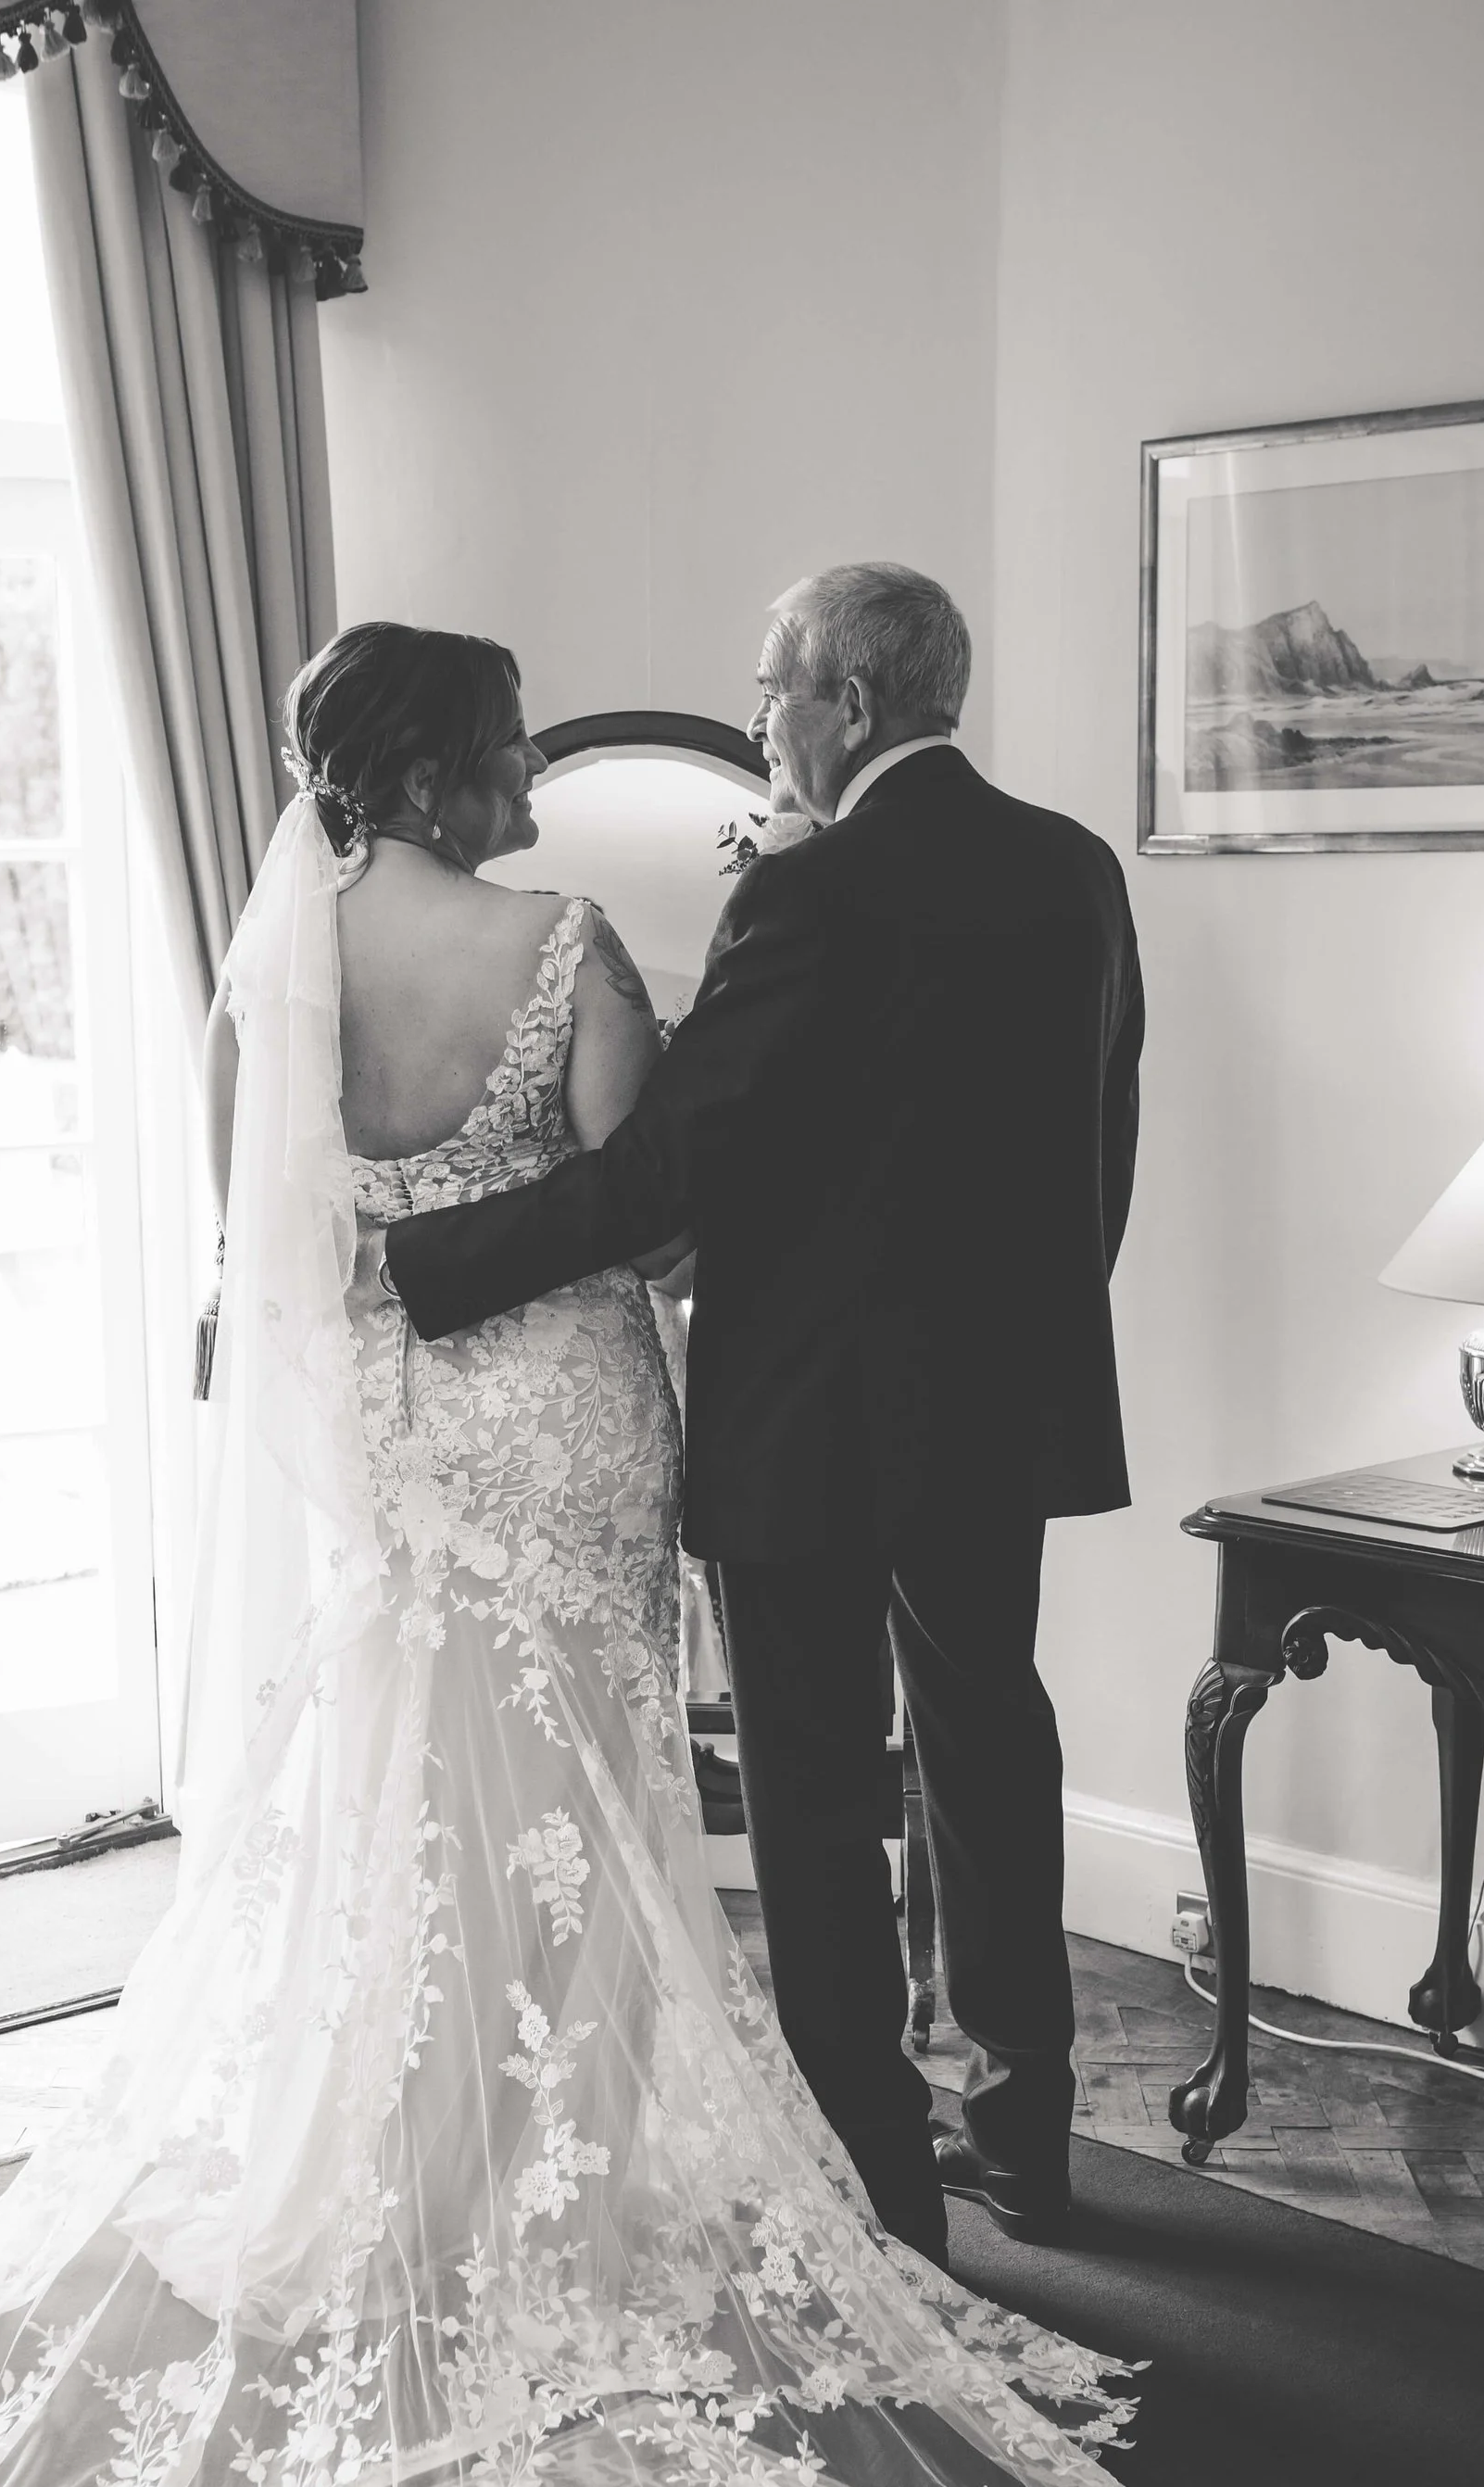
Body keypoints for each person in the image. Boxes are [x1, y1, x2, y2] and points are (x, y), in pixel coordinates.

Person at [0, 622, 1188, 2487]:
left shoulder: (285, 976)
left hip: (454, 1440)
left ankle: (466, 2172)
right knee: (771, 1775)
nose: (541, 753)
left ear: (830, 691)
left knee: (472, 1797)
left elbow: (337, 1242)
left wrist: (443, 1284)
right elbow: (719, 1198)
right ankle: (886, 2134)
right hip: (764, 1411)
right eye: (513, 731)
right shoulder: (717, 917)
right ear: (446, 763)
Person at [382, 564, 1146, 2252]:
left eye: (767, 692)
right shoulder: (1076, 867)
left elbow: (671, 1164)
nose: (756, 723)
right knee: (987, 1742)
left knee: (810, 1788)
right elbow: (1101, 1153)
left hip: (809, 1419)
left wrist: (418, 1259)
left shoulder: (813, 897)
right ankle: (1025, 2120)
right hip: (998, 1410)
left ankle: (876, 2171)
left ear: (846, 706)